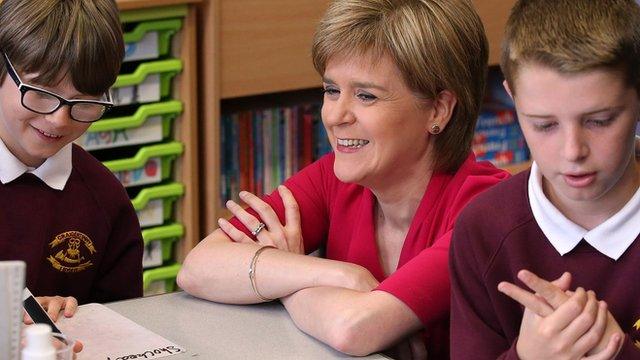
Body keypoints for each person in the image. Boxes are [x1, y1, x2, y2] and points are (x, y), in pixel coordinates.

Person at [178, 0, 508, 358]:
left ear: (438, 110)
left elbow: (353, 330)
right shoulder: (337, 177)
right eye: (331, 90)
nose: (334, 115)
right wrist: (342, 277)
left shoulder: (486, 210)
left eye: (366, 95)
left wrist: (288, 281)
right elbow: (198, 267)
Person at [449, 0, 640, 358]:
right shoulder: (482, 229)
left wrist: (615, 352)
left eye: (599, 121)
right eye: (544, 125)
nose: (572, 151)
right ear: (512, 97)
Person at [0, 0, 143, 322]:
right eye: (42, 93)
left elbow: (124, 323)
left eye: (85, 102)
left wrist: (74, 316)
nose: (58, 120)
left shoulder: (104, 200)